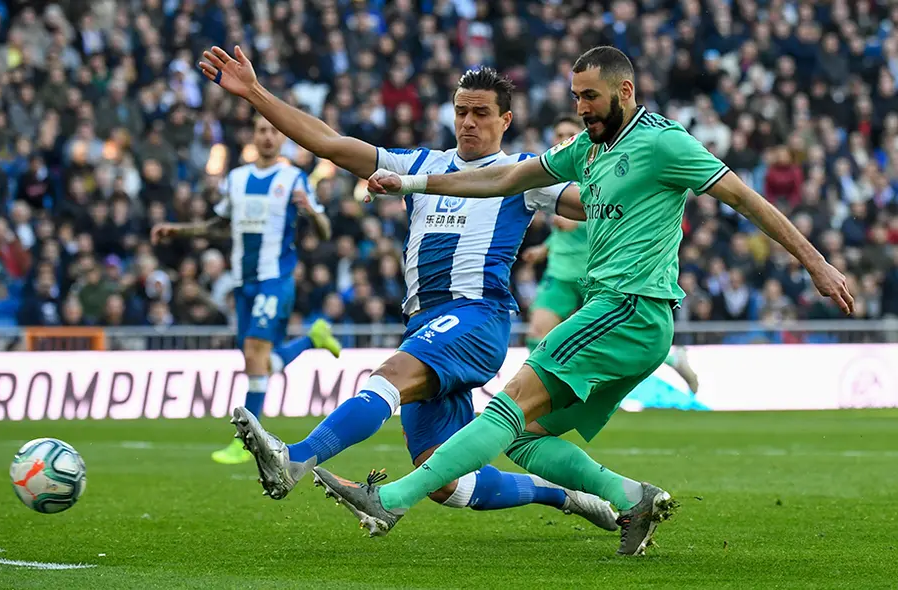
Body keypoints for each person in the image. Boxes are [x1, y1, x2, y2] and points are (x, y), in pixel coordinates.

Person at [310, 46, 854, 555]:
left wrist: (815, 262)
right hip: (627, 320)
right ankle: (631, 497)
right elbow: (507, 178)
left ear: (626, 90)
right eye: (575, 96)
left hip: (628, 307)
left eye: (590, 96)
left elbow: (744, 198)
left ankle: (392, 500)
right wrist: (412, 185)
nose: (581, 107)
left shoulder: (664, 142)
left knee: (508, 403)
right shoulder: (587, 150)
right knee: (523, 436)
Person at [198, 46, 618, 529]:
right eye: (461, 111)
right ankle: (563, 496)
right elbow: (331, 144)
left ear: (505, 120)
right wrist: (254, 92)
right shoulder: (419, 165)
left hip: (477, 316)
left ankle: (294, 458)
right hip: (428, 323)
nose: (468, 122)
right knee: (442, 479)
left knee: (390, 374)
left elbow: (591, 205)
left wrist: (628, 174)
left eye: (481, 114)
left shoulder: (523, 173)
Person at [151, 115, 342, 465]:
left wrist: (312, 214)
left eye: (274, 130)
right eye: (261, 131)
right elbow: (219, 226)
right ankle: (312, 338)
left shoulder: (293, 178)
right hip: (243, 281)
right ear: (253, 137)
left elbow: (326, 230)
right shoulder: (236, 179)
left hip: (276, 278)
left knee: (254, 351)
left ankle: (247, 441)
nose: (268, 136)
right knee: (258, 361)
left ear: (282, 138)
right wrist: (178, 230)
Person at [523, 114, 699, 394]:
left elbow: (613, 214)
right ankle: (535, 394)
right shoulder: (559, 178)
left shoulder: (596, 173)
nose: (561, 140)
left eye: (568, 134)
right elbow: (560, 233)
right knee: (537, 331)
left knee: (615, 337)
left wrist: (579, 218)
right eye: (557, 135)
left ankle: (672, 358)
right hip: (559, 274)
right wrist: (542, 250)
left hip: (594, 275)